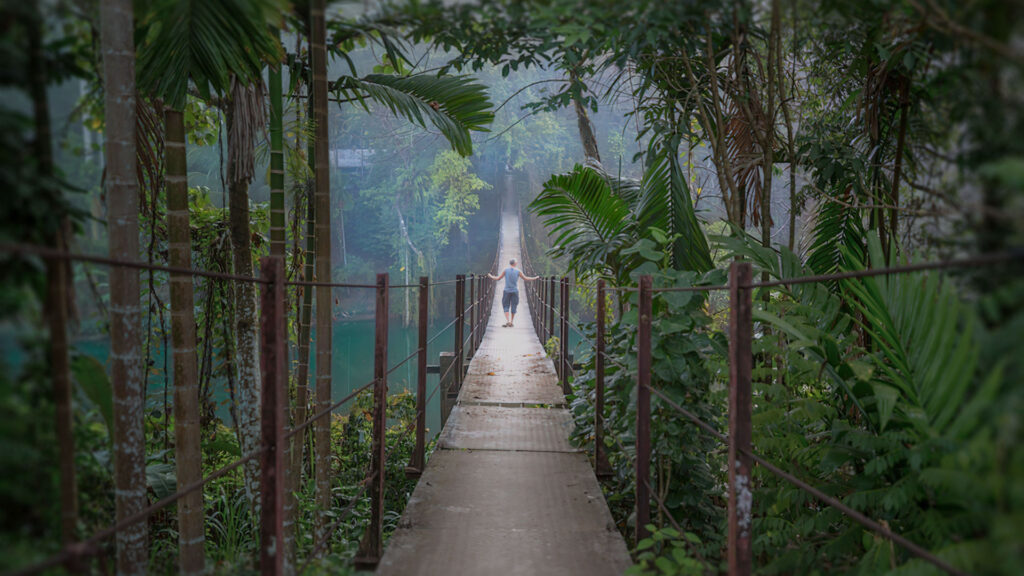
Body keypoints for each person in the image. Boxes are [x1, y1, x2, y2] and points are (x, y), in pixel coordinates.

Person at [488, 258, 538, 327]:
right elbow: (526, 278)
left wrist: (490, 276)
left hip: (506, 291)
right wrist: (535, 278)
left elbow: (498, 278)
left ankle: (507, 320)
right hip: (515, 291)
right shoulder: (518, 271)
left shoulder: (505, 270)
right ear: (515, 263)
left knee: (505, 305)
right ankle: (511, 321)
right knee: (514, 306)